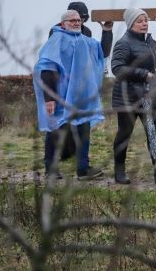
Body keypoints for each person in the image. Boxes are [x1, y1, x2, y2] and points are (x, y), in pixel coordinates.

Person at [33, 10, 105, 180]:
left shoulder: (84, 41)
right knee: (56, 131)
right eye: (72, 20)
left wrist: (107, 31)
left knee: (84, 131)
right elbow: (47, 68)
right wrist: (49, 98)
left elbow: (102, 51)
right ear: (63, 23)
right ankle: (50, 168)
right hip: (61, 97)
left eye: (78, 20)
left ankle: (83, 168)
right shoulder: (56, 40)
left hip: (81, 97)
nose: (76, 23)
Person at [111, 8, 156, 185]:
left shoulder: (148, 41)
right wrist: (143, 74)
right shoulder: (124, 43)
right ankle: (119, 172)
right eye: (140, 21)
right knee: (124, 134)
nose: (144, 23)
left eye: (146, 20)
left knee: (153, 133)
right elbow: (117, 68)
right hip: (128, 98)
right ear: (131, 23)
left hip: (148, 97)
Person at [49, 1, 113, 160]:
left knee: (83, 124)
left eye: (83, 19)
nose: (80, 22)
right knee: (61, 125)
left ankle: (82, 164)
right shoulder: (56, 32)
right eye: (77, 18)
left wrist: (106, 32)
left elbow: (100, 52)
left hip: (81, 87)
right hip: (63, 87)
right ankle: (56, 160)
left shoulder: (86, 32)